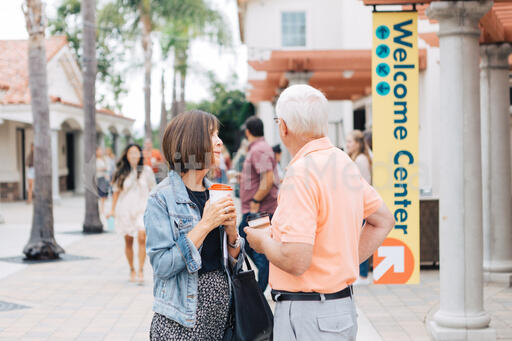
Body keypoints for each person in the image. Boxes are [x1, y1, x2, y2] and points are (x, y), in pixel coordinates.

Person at [244, 84, 394, 340]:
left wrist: (262, 242)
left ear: (284, 127)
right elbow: (383, 220)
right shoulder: (342, 161)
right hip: (339, 308)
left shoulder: (301, 172)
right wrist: (339, 262)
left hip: (307, 314)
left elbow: (296, 259)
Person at [145, 110, 244, 340]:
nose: (220, 142)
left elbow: (232, 264)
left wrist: (232, 234)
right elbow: (162, 265)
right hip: (180, 323)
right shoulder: (161, 198)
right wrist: (205, 224)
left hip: (220, 322)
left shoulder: (215, 192)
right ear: (192, 141)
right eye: (212, 135)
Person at [238, 116, 279, 293]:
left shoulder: (259, 150)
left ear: (248, 131)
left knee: (260, 252)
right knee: (251, 245)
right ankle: (264, 285)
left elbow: (267, 179)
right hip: (257, 209)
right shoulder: (259, 148)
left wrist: (255, 200)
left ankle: (261, 290)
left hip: (259, 210)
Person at [109, 144, 156, 283]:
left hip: (142, 209)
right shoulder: (120, 172)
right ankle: (132, 269)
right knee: (128, 240)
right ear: (126, 155)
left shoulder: (147, 171)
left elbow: (153, 189)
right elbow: (116, 192)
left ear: (140, 155)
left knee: (142, 236)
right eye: (131, 153)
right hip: (125, 210)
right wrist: (112, 209)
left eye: (136, 153)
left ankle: (141, 270)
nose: (134, 155)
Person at [346, 130, 373, 285]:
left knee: (359, 239)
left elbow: (360, 184)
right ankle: (361, 274)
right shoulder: (357, 158)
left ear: (357, 143)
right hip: (358, 204)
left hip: (360, 204)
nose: (347, 144)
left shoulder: (360, 160)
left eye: (350, 142)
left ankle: (362, 275)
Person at [96, 147, 109, 215]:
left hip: (103, 178)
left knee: (103, 195)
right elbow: (95, 169)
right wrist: (102, 169)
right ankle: (98, 208)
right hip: (98, 177)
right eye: (99, 151)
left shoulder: (103, 159)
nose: (100, 152)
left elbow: (107, 167)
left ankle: (102, 208)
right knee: (99, 194)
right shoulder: (95, 160)